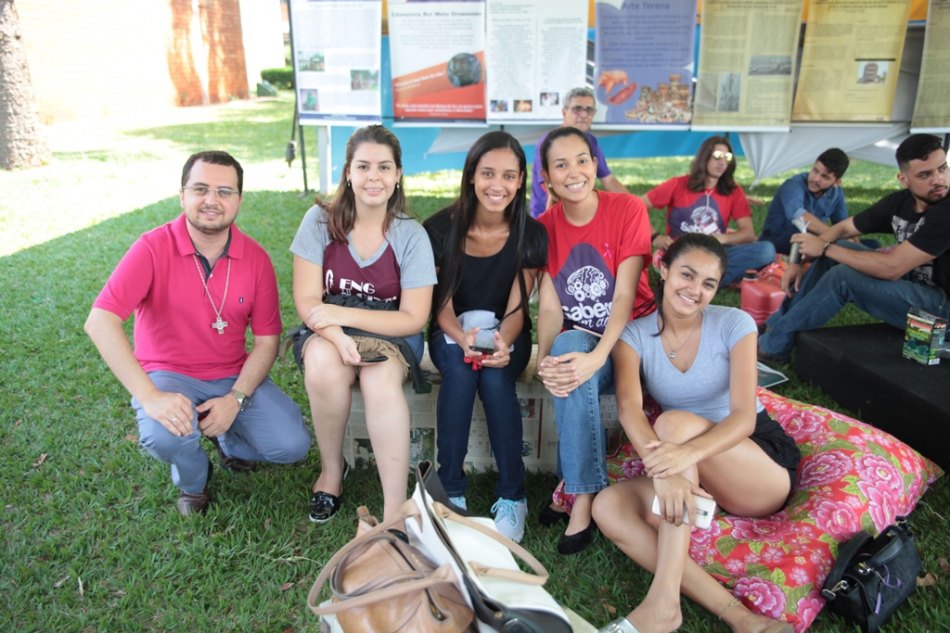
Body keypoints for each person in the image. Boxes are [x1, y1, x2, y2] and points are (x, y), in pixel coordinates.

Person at [84, 150, 310, 516]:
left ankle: (228, 442)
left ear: (239, 199)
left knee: (291, 445)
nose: (211, 200)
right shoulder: (151, 248)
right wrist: (150, 396)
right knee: (164, 435)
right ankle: (194, 479)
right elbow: (100, 320)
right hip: (168, 374)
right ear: (182, 196)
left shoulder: (256, 258)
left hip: (231, 374)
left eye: (224, 191)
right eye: (200, 189)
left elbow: (267, 341)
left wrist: (236, 398)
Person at [594, 234, 799, 633]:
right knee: (608, 506)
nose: (695, 290)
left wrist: (680, 458)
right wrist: (665, 469)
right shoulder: (633, 337)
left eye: (708, 283)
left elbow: (744, 418)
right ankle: (740, 617)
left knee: (672, 423)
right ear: (663, 267)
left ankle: (662, 603)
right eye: (687, 275)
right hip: (691, 472)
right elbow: (629, 409)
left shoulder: (735, 324)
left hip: (754, 464)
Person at [291, 125, 436, 522]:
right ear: (348, 172)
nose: (374, 177)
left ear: (398, 174)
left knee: (379, 379)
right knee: (323, 364)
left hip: (391, 332)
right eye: (364, 166)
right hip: (327, 329)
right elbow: (308, 300)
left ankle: (394, 509)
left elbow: (413, 317)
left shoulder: (411, 235)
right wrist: (336, 335)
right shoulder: (319, 221)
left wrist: (342, 314)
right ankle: (331, 472)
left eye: (384, 167)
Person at [534, 126, 655, 555]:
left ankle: (579, 497)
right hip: (584, 337)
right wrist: (545, 359)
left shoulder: (626, 209)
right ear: (547, 178)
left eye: (582, 160)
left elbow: (624, 295)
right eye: (561, 165)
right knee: (565, 356)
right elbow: (550, 309)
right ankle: (582, 491)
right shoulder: (543, 228)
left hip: (634, 335)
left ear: (594, 164)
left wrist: (599, 355)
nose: (574, 172)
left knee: (578, 363)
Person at [423, 131, 548, 542]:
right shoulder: (439, 229)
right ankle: (450, 491)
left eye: (509, 176)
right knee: (461, 374)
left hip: (506, 333)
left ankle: (513, 495)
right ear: (472, 175)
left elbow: (517, 308)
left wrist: (502, 343)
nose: (498, 185)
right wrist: (462, 338)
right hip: (452, 328)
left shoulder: (530, 233)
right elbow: (440, 305)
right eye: (488, 173)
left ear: (521, 180)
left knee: (495, 379)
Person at [758, 133, 950, 363]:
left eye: (942, 168)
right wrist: (797, 261)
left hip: (942, 314)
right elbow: (843, 228)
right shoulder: (901, 202)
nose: (938, 180)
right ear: (903, 179)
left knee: (843, 276)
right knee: (839, 248)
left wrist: (825, 248)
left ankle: (772, 346)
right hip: (917, 288)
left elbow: (891, 268)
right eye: (925, 175)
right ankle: (775, 325)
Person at [642, 136, 775, 286]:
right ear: (704, 157)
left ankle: (696, 279)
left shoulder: (733, 191)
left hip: (715, 253)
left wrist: (722, 239)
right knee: (683, 261)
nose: (722, 162)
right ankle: (710, 280)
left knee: (766, 250)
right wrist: (655, 237)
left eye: (727, 157)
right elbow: (637, 207)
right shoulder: (678, 184)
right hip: (682, 251)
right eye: (717, 156)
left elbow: (748, 233)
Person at [530, 87, 630, 218]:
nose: (583, 114)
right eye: (577, 109)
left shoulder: (589, 140)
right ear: (564, 112)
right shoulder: (548, 142)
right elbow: (552, 191)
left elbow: (609, 180)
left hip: (580, 214)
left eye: (589, 110)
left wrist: (634, 205)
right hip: (546, 216)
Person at [759, 148, 850, 255]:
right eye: (815, 171)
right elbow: (800, 217)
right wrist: (834, 235)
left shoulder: (836, 193)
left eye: (824, 177)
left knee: (861, 246)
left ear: (837, 182)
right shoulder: (793, 185)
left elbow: (843, 225)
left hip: (812, 245)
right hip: (778, 244)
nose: (816, 179)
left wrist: (851, 241)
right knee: (800, 229)